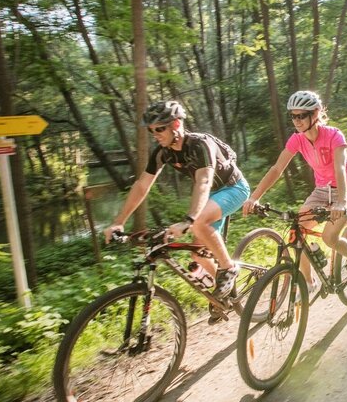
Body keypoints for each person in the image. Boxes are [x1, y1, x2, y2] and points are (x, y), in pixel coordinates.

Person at [104, 101, 250, 305]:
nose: (155, 134)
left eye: (159, 128)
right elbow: (142, 185)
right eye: (151, 130)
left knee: (199, 223)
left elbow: (204, 181)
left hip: (233, 188)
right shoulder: (163, 152)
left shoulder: (200, 144)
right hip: (211, 196)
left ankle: (230, 267)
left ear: (175, 124)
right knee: (198, 255)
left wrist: (189, 219)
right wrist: (119, 221)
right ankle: (226, 291)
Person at [243, 90, 347, 293]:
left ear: (315, 113)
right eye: (293, 116)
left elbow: (340, 168)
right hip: (321, 191)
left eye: (301, 115)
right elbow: (276, 169)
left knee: (329, 238)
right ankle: (309, 283)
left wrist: (341, 201)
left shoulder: (334, 136)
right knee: (295, 232)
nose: (297, 121)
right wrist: (254, 197)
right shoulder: (297, 139)